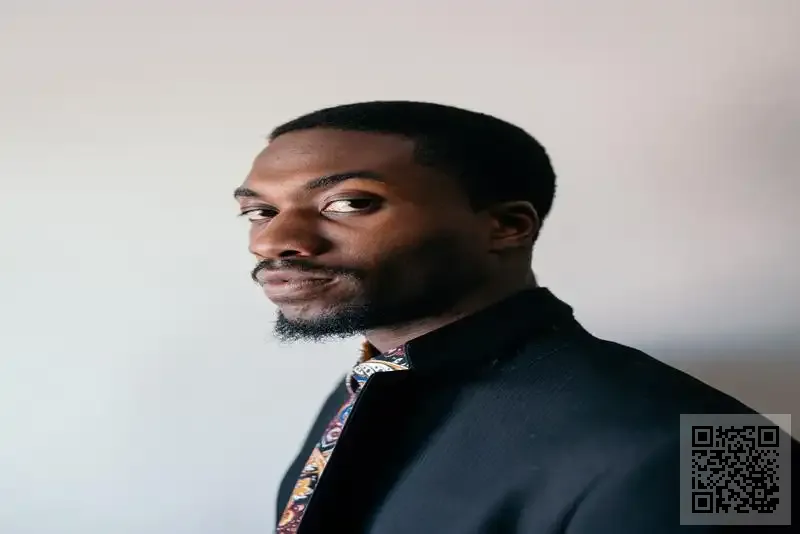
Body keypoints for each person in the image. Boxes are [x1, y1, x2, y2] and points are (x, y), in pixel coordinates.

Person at [233, 101, 798, 533]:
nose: (273, 241)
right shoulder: (375, 383)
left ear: (507, 226)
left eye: (350, 203)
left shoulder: (727, 446)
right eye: (259, 211)